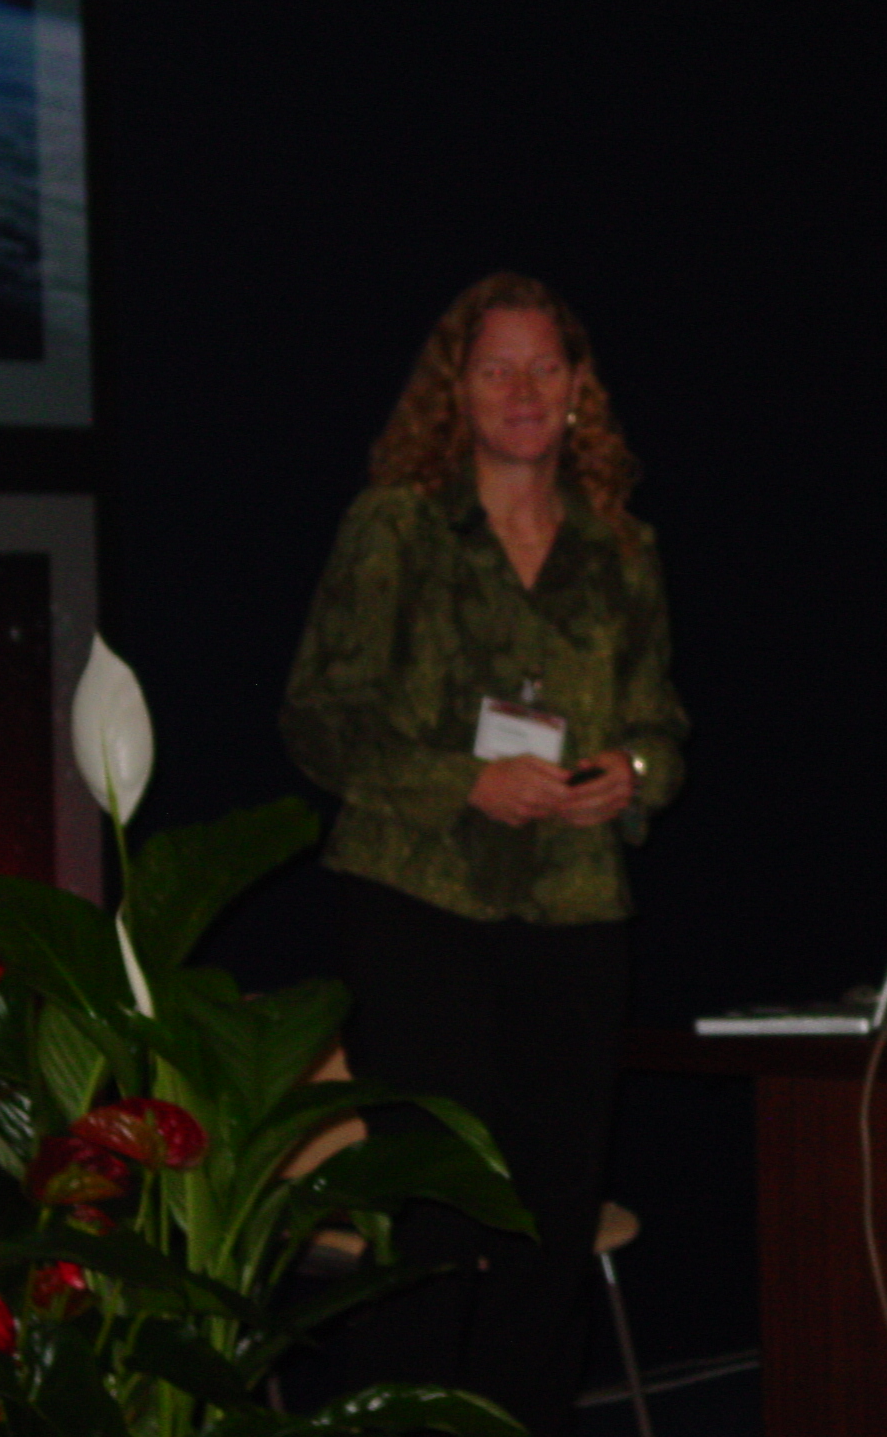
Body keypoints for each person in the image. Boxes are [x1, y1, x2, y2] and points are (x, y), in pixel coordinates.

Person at [281, 272, 687, 1437]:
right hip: (417, 906)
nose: (521, 390)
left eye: (543, 367)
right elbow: (317, 722)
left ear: (577, 389)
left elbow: (662, 727)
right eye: (495, 368)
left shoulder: (622, 548)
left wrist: (633, 774)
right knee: (433, 1222)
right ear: (454, 390)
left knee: (548, 1231)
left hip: (573, 915)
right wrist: (465, 779)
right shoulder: (394, 527)